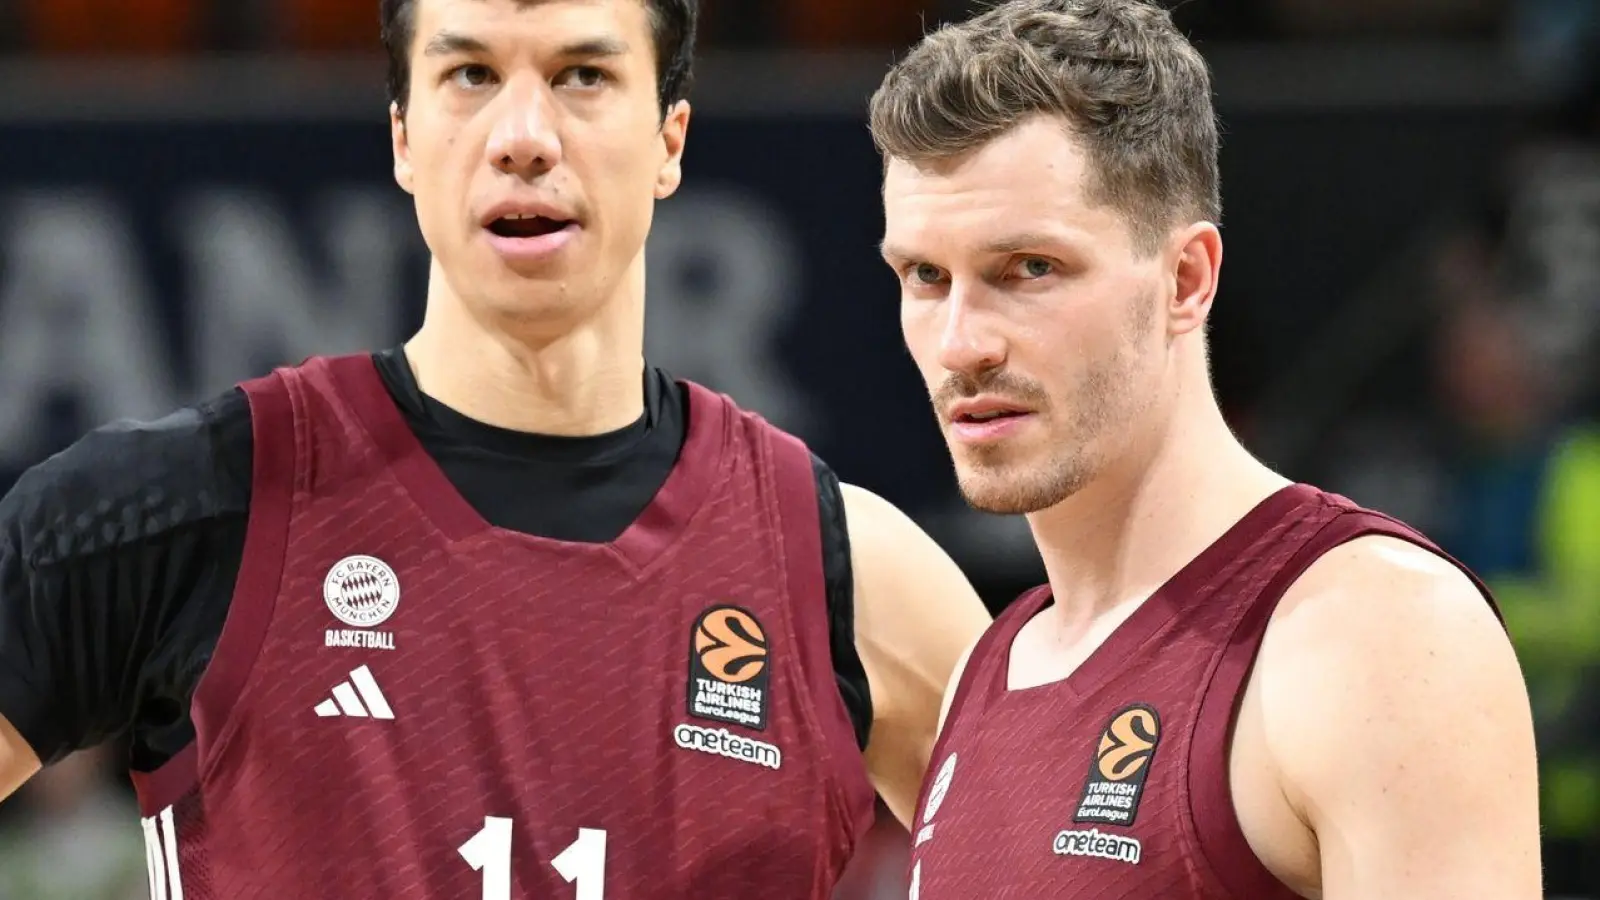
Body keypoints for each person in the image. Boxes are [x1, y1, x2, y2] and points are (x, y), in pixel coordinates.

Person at [0, 0, 994, 897]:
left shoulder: (853, 579)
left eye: (583, 76)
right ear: (402, 135)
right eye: (469, 74)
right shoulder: (191, 507)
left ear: (668, 138)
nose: (523, 137)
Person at [867, 1, 1542, 897]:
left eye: (1028, 268)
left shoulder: (1372, 636)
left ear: (1186, 279)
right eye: (926, 277)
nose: (961, 343)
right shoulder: (986, 672)